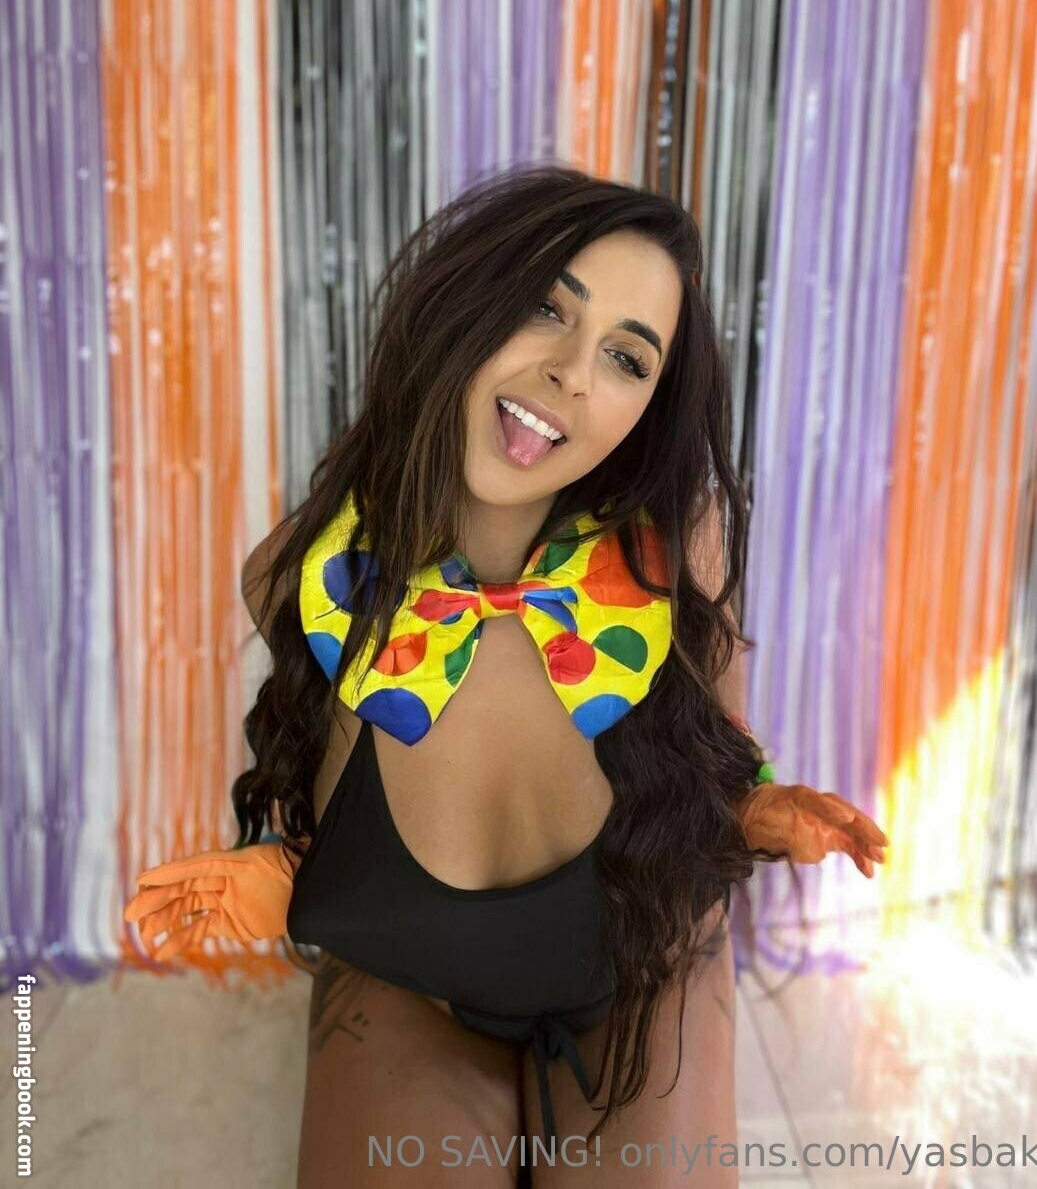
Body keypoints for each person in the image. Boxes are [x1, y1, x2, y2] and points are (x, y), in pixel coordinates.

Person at [125, 164, 888, 1187]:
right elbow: (330, 801)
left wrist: (759, 810)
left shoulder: (680, 555)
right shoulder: (308, 578)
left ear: (647, 409)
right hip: (412, 979)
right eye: (545, 307)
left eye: (625, 357)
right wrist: (288, 871)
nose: (572, 373)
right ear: (469, 299)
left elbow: (716, 774)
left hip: (641, 964)